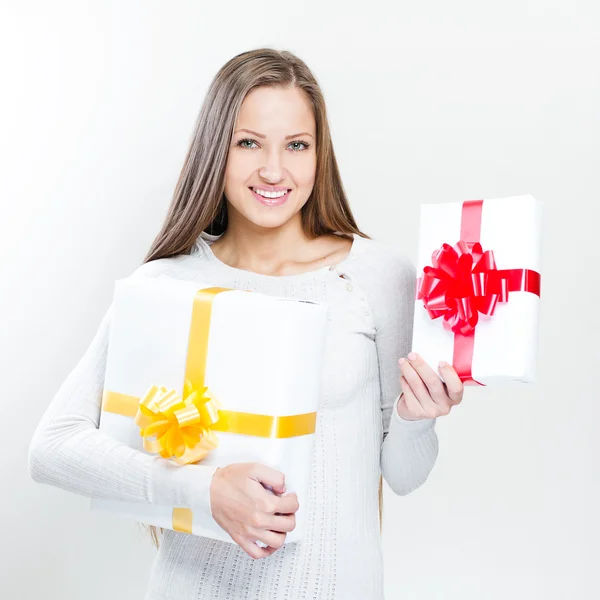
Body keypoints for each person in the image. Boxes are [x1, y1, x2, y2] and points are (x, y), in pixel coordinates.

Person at [28, 47, 464, 599]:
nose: (274, 170)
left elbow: (402, 475)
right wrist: (203, 488)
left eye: (297, 145)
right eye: (248, 143)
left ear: (319, 154)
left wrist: (417, 418)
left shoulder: (378, 276)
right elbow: (53, 447)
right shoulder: (165, 285)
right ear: (218, 150)